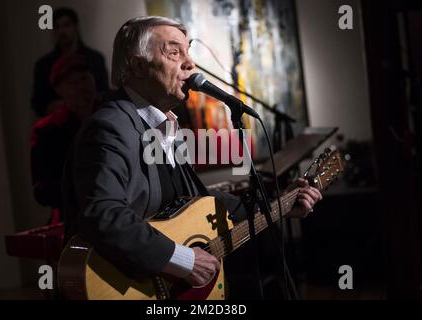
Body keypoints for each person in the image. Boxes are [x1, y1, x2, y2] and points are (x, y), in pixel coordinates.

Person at [63, 16, 322, 289]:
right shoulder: (109, 126)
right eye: (174, 53)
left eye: (188, 52)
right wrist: (184, 260)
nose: (190, 64)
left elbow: (195, 201)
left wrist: (277, 204)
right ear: (137, 66)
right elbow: (103, 213)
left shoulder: (164, 126)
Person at [31, 54, 97, 223]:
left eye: (84, 78)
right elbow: (42, 191)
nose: (81, 87)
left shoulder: (113, 115)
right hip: (72, 220)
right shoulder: (47, 131)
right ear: (59, 90)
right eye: (73, 82)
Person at [31, 7, 108, 117]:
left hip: (93, 122)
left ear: (76, 27)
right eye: (57, 26)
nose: (62, 31)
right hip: (60, 126)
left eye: (66, 25)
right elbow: (38, 104)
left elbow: (104, 93)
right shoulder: (43, 65)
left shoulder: (95, 59)